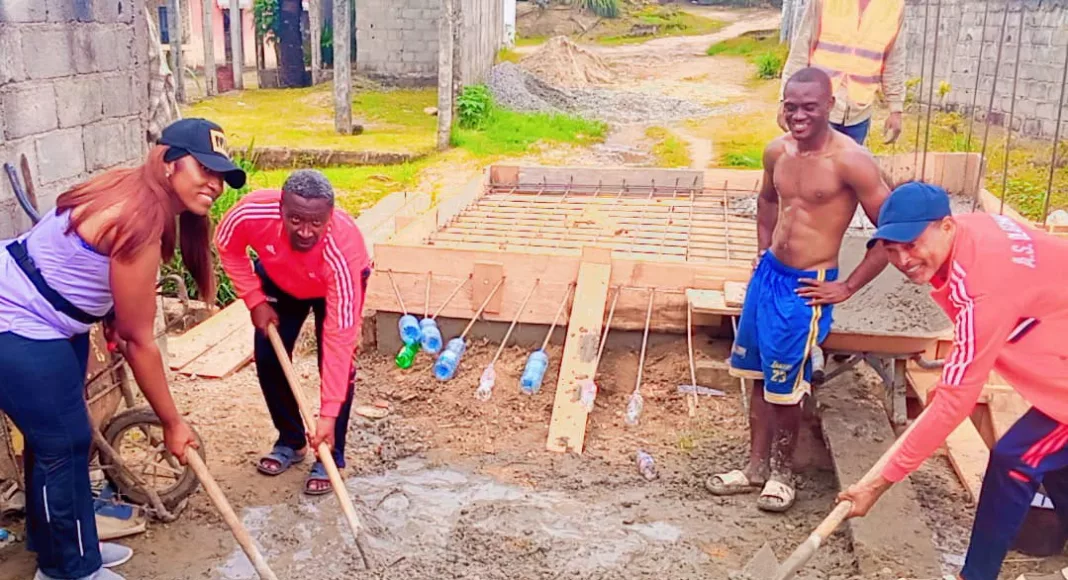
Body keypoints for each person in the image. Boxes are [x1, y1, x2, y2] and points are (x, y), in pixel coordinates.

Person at [0, 118, 246, 580]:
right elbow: (139, 340)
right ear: (168, 163)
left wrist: (107, 315)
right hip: (14, 318)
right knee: (64, 441)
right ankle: (69, 571)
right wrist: (173, 423)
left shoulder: (138, 194)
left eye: (221, 176)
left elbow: (101, 284)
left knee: (57, 439)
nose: (214, 184)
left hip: (47, 319)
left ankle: (60, 543)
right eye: (204, 169)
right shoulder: (139, 220)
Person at [839, 182, 1068, 580]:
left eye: (911, 245)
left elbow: (953, 402)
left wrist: (877, 484)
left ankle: (975, 575)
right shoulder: (972, 232)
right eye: (892, 250)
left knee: (1017, 458)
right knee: (1056, 463)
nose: (903, 259)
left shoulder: (983, 289)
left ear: (946, 226)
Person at [706, 67, 891, 513]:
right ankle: (754, 468)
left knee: (786, 384)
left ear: (830, 106)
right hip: (768, 277)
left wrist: (847, 285)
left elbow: (894, 230)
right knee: (755, 374)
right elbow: (768, 200)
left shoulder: (851, 161)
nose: (798, 116)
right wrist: (761, 248)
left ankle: (782, 473)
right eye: (791, 106)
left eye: (810, 107)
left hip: (806, 288)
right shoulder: (778, 152)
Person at [215, 169, 371, 496]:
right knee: (269, 356)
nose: (305, 231)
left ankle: (331, 454)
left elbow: (339, 342)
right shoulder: (251, 213)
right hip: (280, 277)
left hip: (331, 285)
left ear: (330, 217)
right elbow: (227, 244)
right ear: (280, 209)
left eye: (317, 223)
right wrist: (254, 299)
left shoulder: (342, 252)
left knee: (336, 363)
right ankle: (291, 440)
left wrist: (326, 415)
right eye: (296, 220)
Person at [779, 0, 907, 146]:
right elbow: (801, 48)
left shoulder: (894, 6)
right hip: (818, 107)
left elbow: (894, 60)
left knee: (849, 166)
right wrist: (786, 99)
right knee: (813, 164)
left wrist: (896, 109)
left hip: (859, 112)